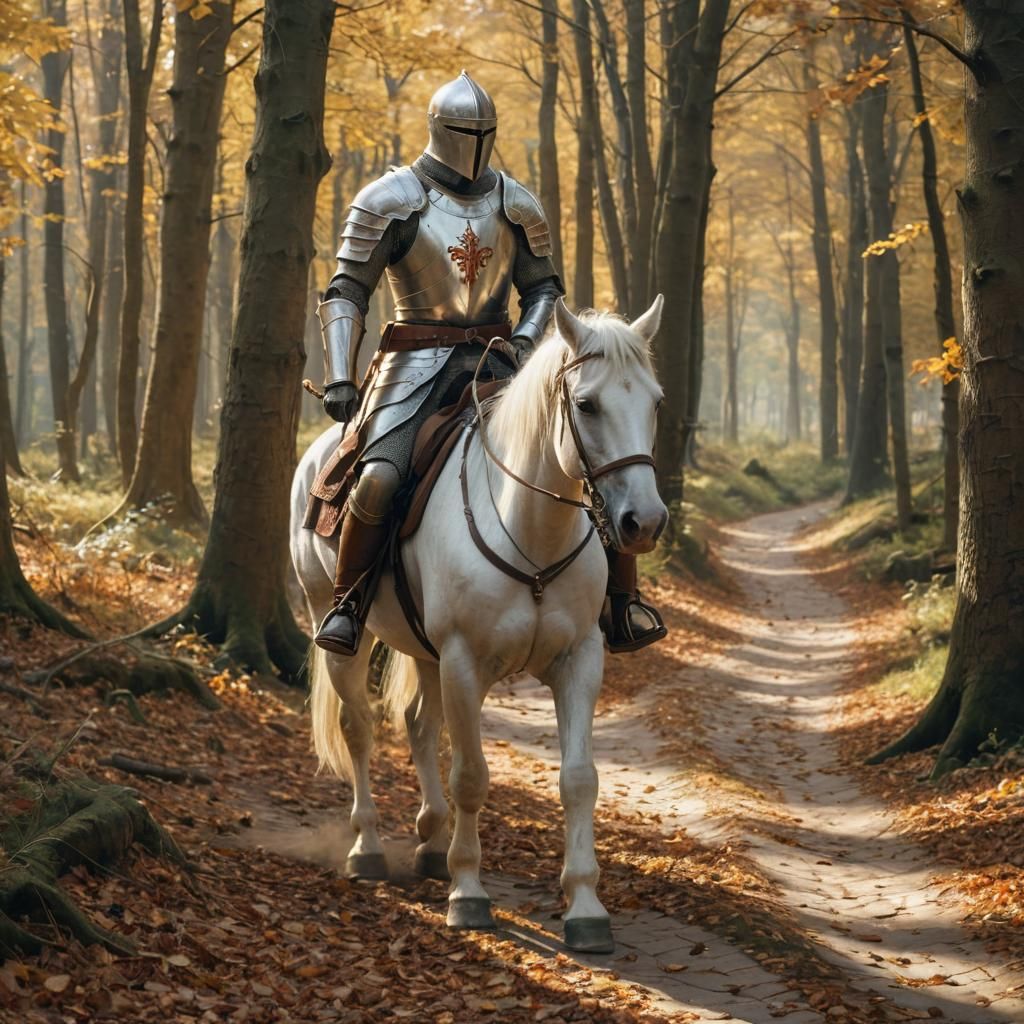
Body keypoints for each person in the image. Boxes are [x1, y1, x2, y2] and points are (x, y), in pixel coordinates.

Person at [314, 71, 665, 657]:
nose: (474, 144)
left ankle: (622, 602)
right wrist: (340, 376)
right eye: (463, 131)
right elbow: (347, 290)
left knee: (589, 460)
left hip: (502, 362)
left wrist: (525, 342)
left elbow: (544, 289)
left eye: (483, 132)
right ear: (439, 129)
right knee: (378, 478)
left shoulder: (515, 202)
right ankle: (348, 604)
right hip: (412, 369)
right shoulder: (390, 199)